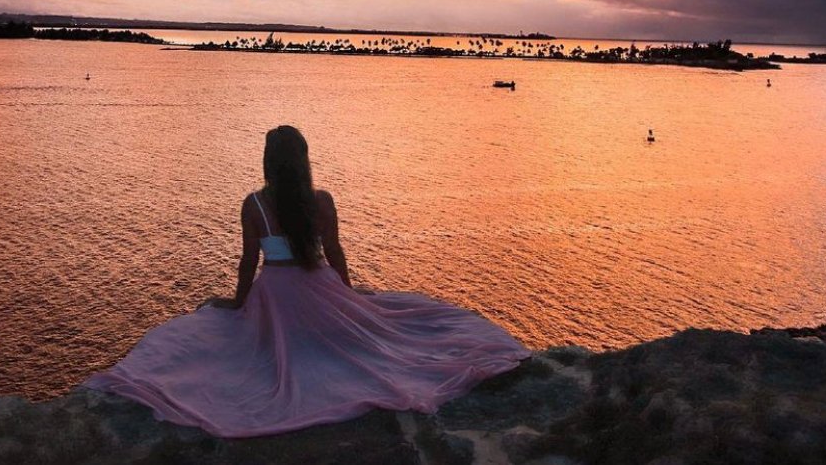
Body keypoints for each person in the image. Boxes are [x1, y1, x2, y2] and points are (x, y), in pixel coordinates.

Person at [82, 125, 531, 437]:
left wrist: (238, 304)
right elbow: (334, 253)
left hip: (274, 293)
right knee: (376, 342)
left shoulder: (254, 204)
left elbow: (247, 262)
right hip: (320, 285)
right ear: (303, 161)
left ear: (268, 162)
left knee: (242, 353)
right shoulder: (321, 199)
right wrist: (347, 294)